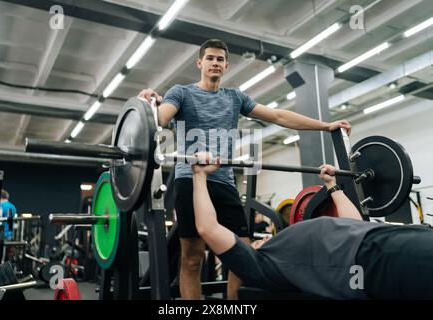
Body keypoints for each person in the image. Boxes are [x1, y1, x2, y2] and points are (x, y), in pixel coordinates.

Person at [139, 39, 352, 299]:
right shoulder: (181, 92)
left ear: (226, 66)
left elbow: (278, 116)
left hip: (225, 182)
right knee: (193, 258)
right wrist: (150, 105)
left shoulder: (235, 97)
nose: (215, 63)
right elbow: (161, 119)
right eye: (210, 58)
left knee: (242, 257)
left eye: (220, 59)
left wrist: (325, 125)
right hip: (191, 180)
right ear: (200, 63)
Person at [191, 152, 433, 300]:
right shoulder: (260, 265)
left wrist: (332, 185)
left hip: (382, 236)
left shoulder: (287, 239)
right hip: (368, 263)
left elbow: (353, 224)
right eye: (254, 243)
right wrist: (200, 176)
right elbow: (208, 228)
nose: (260, 240)